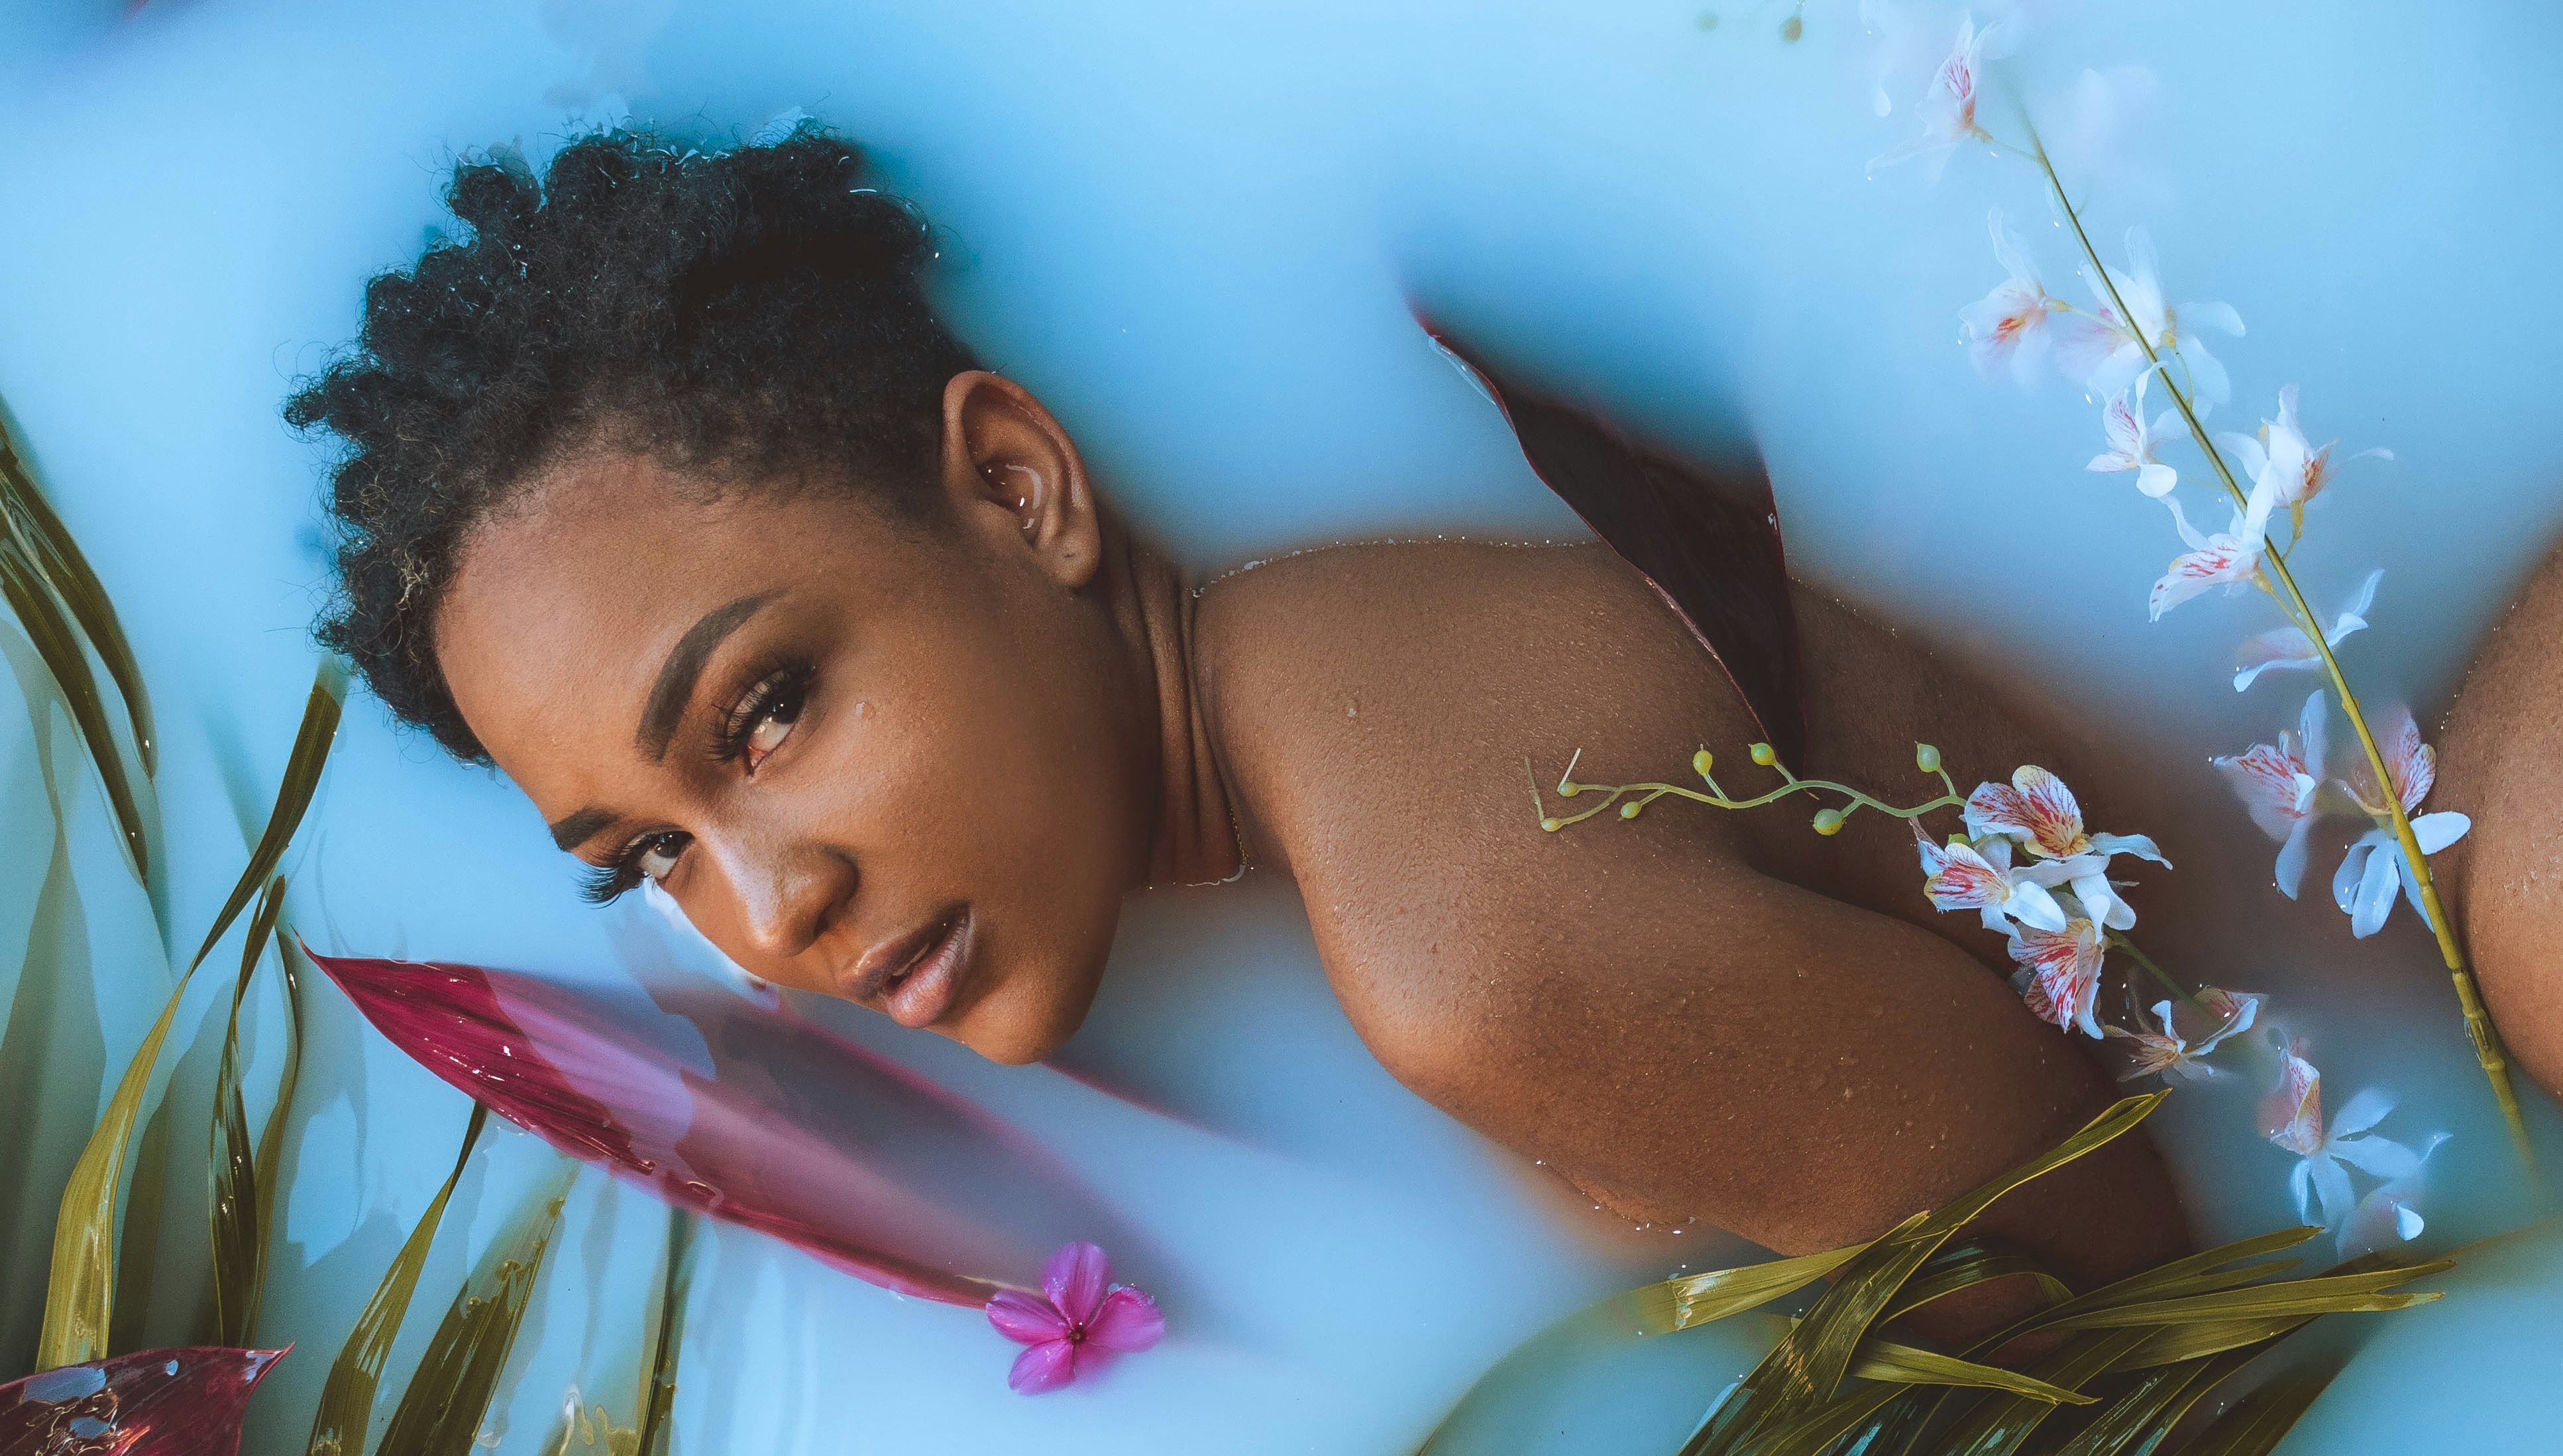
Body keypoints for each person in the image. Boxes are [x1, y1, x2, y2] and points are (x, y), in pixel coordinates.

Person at [289, 127, 2196, 1294]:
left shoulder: (1467, 954)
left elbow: (2170, 1309)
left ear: (1020, 486)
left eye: (767, 711)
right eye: (646, 863)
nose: (768, 913)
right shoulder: (1339, 665)